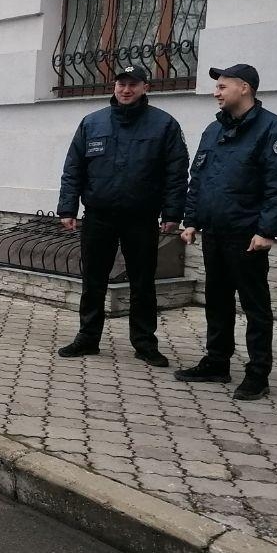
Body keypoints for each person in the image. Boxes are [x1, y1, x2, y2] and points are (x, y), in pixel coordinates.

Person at [175, 64, 277, 401]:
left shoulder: (272, 129)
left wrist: (267, 230)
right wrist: (191, 220)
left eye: (222, 87)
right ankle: (217, 363)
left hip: (247, 236)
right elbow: (198, 179)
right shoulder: (213, 130)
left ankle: (258, 374)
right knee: (217, 301)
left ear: (244, 88)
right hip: (214, 232)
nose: (216, 92)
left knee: (255, 307)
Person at [56, 65, 189, 366]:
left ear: (145, 88)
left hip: (141, 217)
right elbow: (74, 168)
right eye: (121, 84)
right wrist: (67, 207)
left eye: (133, 85)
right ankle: (87, 338)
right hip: (98, 216)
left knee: (142, 282)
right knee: (93, 280)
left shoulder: (164, 124)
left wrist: (172, 212)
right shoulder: (92, 123)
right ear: (114, 87)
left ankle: (145, 343)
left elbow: (176, 173)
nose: (126, 90)